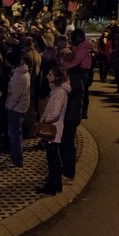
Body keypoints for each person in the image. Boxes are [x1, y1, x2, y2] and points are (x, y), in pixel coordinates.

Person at [37, 67, 69, 195]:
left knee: (53, 160)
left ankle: (52, 186)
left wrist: (45, 120)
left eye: (50, 74)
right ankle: (56, 185)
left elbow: (55, 112)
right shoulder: (57, 91)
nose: (47, 76)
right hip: (54, 127)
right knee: (53, 159)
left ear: (56, 77)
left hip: (53, 128)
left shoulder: (59, 92)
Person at [6, 50, 30, 168]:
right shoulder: (25, 72)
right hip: (22, 106)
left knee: (14, 134)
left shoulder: (17, 76)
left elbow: (15, 95)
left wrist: (8, 106)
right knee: (18, 133)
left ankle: (17, 158)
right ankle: (17, 156)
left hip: (16, 109)